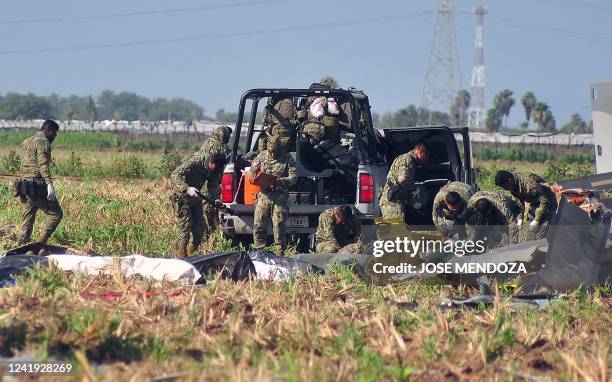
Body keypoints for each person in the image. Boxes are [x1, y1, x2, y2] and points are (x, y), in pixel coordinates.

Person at [170, 152, 227, 257]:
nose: (214, 171)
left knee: (200, 229)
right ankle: (181, 257)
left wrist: (216, 199)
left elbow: (212, 185)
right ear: (211, 162)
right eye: (214, 168)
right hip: (181, 198)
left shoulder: (216, 169)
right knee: (185, 230)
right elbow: (175, 174)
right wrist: (186, 188)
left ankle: (191, 254)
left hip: (195, 198)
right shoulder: (195, 161)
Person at [16, 120, 63, 245]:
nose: (55, 137)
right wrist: (49, 184)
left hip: (25, 185)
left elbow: (24, 164)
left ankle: (21, 246)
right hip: (37, 185)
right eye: (55, 134)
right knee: (56, 214)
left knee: (28, 217)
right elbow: (42, 164)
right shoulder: (43, 142)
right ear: (50, 131)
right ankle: (40, 244)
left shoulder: (27, 141)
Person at [250, 136, 297, 256]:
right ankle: (259, 252)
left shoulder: (287, 158)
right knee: (258, 225)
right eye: (270, 151)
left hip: (280, 197)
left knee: (279, 225)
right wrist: (254, 173)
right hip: (264, 196)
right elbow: (251, 175)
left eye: (274, 152)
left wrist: (282, 180)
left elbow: (294, 178)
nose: (272, 154)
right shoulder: (261, 156)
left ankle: (280, 252)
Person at [494, 170, 558, 238]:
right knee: (529, 232)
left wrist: (536, 220)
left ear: (510, 180)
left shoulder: (529, 182)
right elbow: (519, 202)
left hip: (548, 202)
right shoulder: (512, 184)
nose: (506, 189)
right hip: (534, 203)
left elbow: (544, 200)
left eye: (506, 187)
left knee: (544, 231)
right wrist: (520, 219)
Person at [378, 143, 428, 219]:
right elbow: (403, 180)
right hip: (393, 201)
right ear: (420, 151)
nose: (426, 159)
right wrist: (415, 188)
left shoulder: (408, 159)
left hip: (394, 198)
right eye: (426, 155)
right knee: (396, 228)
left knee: (396, 228)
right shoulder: (407, 159)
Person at [200, 125, 232, 235]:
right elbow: (230, 160)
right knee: (212, 209)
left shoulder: (206, 143)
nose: (228, 139)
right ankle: (212, 235)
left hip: (202, 181)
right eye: (228, 137)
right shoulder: (221, 147)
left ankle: (208, 234)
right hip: (213, 183)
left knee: (205, 208)